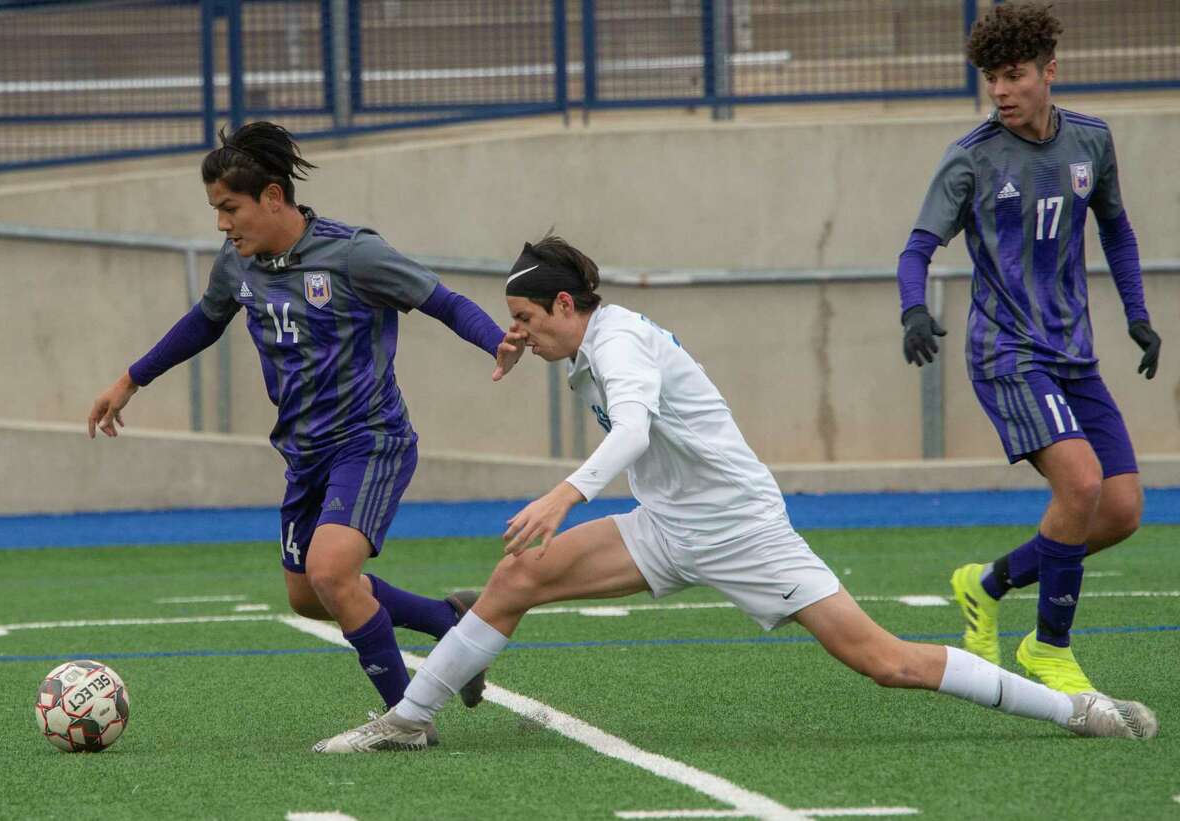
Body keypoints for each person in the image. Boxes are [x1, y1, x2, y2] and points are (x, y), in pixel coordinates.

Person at [310, 235, 1156, 753]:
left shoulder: (621, 346)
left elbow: (635, 431)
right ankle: (409, 720)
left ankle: (1076, 708)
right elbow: (626, 426)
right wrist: (523, 351)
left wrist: (564, 494)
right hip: (668, 523)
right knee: (515, 579)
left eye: (525, 319)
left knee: (885, 662)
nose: (516, 332)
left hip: (743, 530)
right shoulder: (583, 342)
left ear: (565, 304)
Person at [87, 121, 524, 746]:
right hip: (304, 453)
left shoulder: (352, 254)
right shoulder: (237, 265)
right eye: (215, 211)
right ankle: (448, 619)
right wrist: (130, 380)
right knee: (309, 596)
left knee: (330, 572)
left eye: (228, 208)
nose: (221, 225)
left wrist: (496, 342)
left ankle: (408, 718)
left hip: (369, 439)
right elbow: (203, 323)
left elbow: (442, 300)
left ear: (272, 197)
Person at [896, 2, 1162, 694]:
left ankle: (987, 583)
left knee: (1122, 508)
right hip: (1006, 353)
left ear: (1050, 72)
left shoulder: (1091, 143)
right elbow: (918, 247)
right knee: (1080, 482)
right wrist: (914, 309)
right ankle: (1049, 647)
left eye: (1014, 75)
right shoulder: (971, 158)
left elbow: (1118, 230)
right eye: (991, 77)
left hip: (1073, 353)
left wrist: (1138, 315)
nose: (1001, 91)